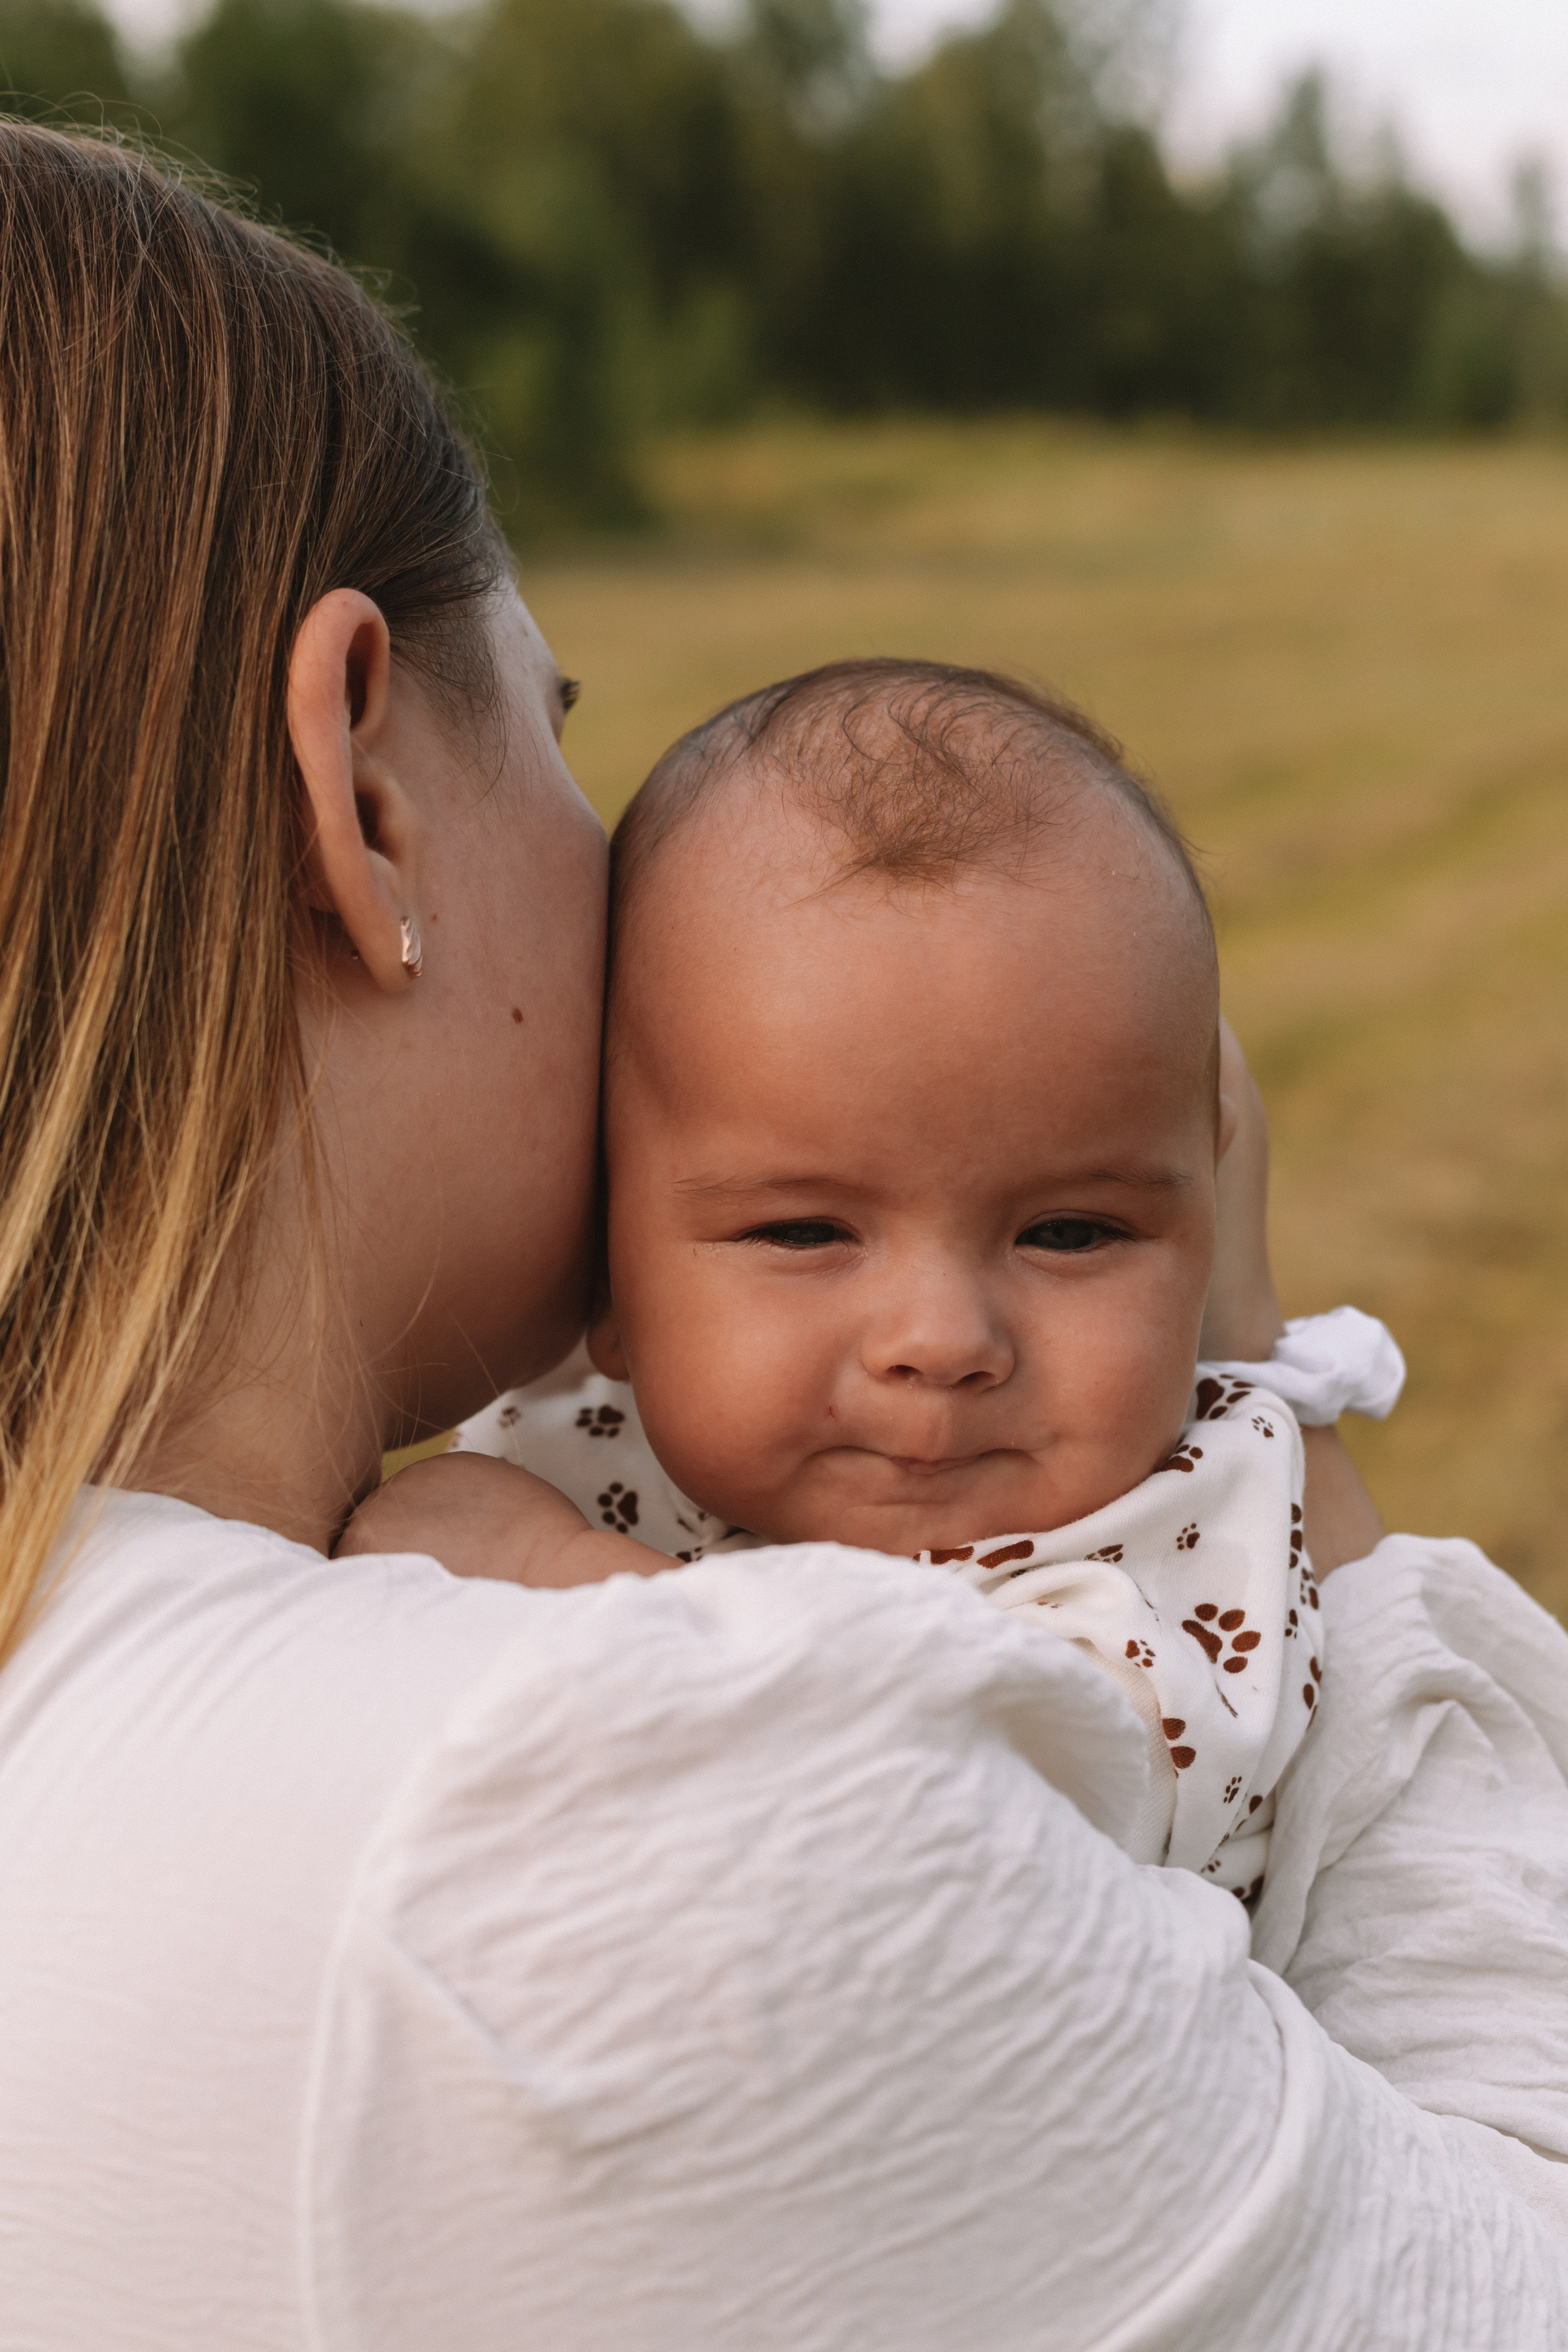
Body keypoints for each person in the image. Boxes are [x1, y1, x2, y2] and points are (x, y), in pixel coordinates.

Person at [2, 123, 1567, 2351]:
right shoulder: (660, 1803)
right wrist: (1292, 1456)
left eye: (1062, 1225)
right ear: (362, 794)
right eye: (557, 732)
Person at [379, 657, 1370, 1896]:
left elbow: (975, 1807)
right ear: (606, 1272)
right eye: (804, 1234)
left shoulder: (1177, 1536)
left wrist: (561, 1582)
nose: (942, 1340)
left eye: (1071, 1233)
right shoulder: (569, 1447)